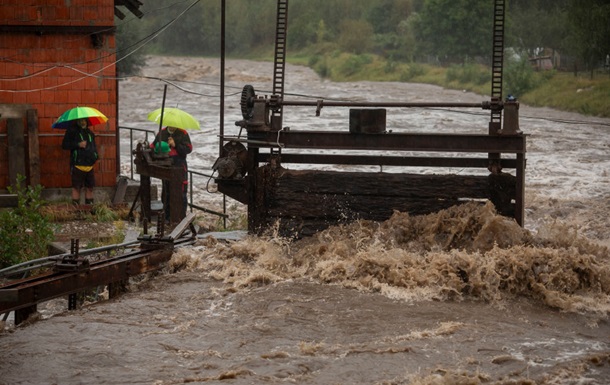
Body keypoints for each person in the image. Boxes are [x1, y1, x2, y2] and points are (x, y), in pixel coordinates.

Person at [150, 125, 193, 222]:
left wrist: (176, 145)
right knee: (166, 191)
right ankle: (167, 217)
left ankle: (181, 217)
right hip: (165, 166)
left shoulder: (183, 133)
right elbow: (153, 146)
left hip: (180, 166)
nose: (173, 126)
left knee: (181, 192)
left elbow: (189, 149)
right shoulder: (162, 132)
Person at [61, 118, 98, 205]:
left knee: (90, 188)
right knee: (76, 187)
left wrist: (95, 156)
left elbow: (93, 147)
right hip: (77, 165)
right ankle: (76, 210)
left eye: (84, 120)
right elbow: (64, 145)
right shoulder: (72, 131)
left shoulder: (90, 133)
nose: (83, 122)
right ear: (77, 121)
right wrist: (78, 144)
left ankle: (89, 209)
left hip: (89, 165)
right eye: (81, 120)